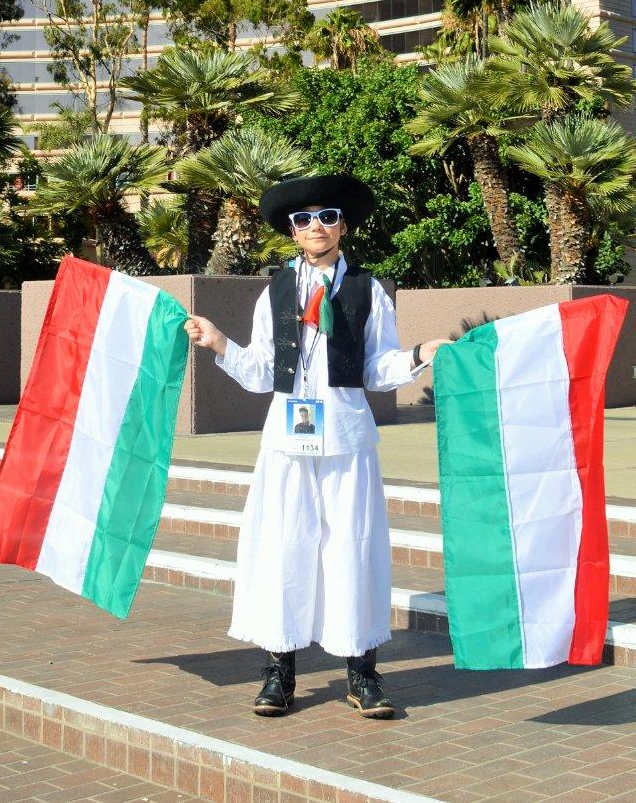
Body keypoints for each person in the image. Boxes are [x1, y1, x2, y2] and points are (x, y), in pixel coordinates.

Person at [183, 174, 449, 719]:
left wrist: (422, 352)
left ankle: (362, 673)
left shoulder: (368, 288)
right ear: (292, 231)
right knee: (285, 546)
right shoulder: (276, 289)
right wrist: (218, 343)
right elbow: (261, 372)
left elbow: (378, 368)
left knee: (351, 547)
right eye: (304, 219)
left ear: (343, 225)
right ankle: (279, 673)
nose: (316, 227)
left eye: (328, 216)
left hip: (347, 439)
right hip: (287, 437)